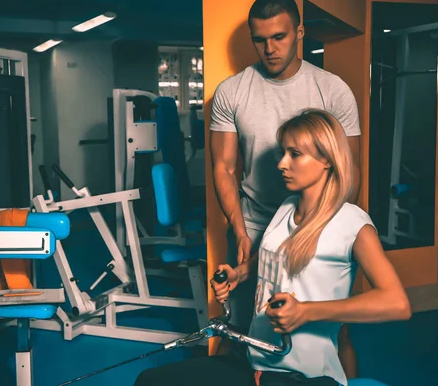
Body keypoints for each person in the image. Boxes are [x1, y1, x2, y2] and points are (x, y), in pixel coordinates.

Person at [134, 109, 411, 386]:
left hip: (303, 376)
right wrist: (239, 274)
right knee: (150, 381)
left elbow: (397, 304)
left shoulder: (352, 223)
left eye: (295, 154)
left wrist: (306, 311)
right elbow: (273, 257)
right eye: (282, 153)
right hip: (254, 360)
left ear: (326, 159)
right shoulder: (288, 206)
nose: (282, 163)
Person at [209, 0, 361, 376]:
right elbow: (224, 167)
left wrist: (325, 229)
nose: (270, 49)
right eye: (260, 40)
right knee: (243, 332)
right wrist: (240, 231)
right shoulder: (232, 91)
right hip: (258, 224)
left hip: (318, 225)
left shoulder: (333, 90)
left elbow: (350, 168)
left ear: (300, 33)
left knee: (331, 334)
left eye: (280, 37)